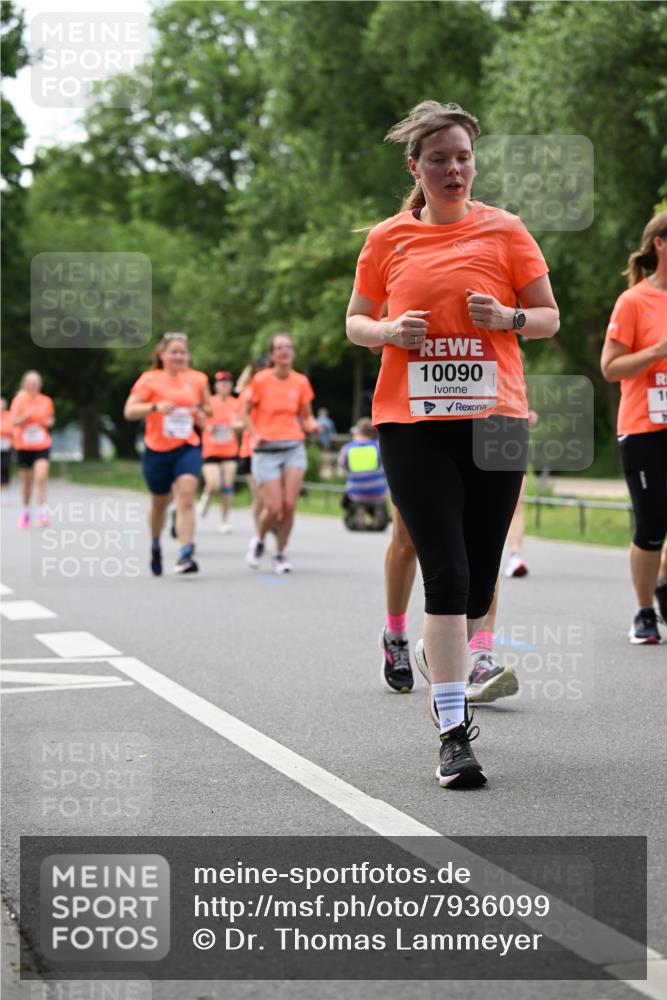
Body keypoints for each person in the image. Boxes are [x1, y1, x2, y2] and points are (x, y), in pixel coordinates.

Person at [346, 100, 559, 788]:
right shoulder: (386, 239)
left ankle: (452, 654)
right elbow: (354, 321)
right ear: (416, 167)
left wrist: (509, 316)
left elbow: (549, 319)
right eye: (438, 157)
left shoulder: (506, 231)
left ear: (473, 163)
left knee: (478, 572)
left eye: (462, 156)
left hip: (494, 421)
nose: (452, 168)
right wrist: (386, 333)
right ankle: (451, 731)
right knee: (447, 571)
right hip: (412, 424)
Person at [601, 211, 667, 643]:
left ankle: (663, 585)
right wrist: (658, 350)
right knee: (652, 523)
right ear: (660, 243)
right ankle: (644, 611)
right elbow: (610, 367)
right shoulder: (634, 301)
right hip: (645, 427)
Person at [123, 332, 210, 575]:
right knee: (159, 504)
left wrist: (201, 415)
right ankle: (155, 544)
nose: (179, 356)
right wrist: (155, 407)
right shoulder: (149, 380)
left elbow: (207, 408)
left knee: (186, 497)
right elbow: (129, 411)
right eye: (174, 351)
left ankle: (185, 553)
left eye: (183, 352)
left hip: (187, 445)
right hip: (157, 449)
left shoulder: (196, 380)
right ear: (161, 355)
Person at [243, 333, 321, 573]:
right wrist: (255, 434)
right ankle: (259, 539)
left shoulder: (300, 382)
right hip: (266, 449)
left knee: (289, 504)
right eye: (279, 348)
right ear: (271, 354)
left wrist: (312, 425)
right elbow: (244, 413)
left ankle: (279, 553)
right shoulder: (260, 380)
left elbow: (306, 415)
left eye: (288, 347)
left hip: (293, 447)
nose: (284, 351)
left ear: (293, 353)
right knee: (274, 507)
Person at [10, 371, 55, 528]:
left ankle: (42, 512)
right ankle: (26, 511)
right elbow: (13, 421)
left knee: (41, 477)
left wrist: (48, 422)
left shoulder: (47, 401)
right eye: (30, 382)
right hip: (24, 445)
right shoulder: (18, 401)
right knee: (26, 483)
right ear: (24, 384)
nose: (33, 385)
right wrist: (26, 417)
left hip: (42, 444)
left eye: (36, 382)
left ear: (40, 384)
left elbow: (50, 418)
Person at [199, 371, 241, 532]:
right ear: (216, 386)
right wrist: (207, 427)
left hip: (229, 450)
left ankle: (224, 520)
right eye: (221, 383)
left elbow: (241, 423)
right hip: (211, 449)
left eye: (228, 383)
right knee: (214, 484)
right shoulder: (209, 402)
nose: (224, 386)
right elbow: (200, 418)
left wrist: (233, 426)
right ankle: (207, 497)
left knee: (228, 484)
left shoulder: (235, 403)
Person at [504, 409, 539, 578]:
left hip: (511, 445)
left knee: (515, 505)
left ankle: (514, 556)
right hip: (475, 438)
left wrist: (529, 415)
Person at [236, 357, 269, 537]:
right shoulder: (247, 393)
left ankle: (267, 525)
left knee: (271, 499)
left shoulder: (276, 391)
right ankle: (259, 535)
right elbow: (239, 420)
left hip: (274, 449)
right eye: (261, 370)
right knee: (260, 497)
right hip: (250, 450)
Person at [337, 417, 389, 531]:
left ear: (358, 432)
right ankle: (378, 516)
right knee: (382, 515)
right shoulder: (378, 446)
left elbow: (342, 466)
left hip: (356, 494)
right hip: (378, 493)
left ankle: (356, 514)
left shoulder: (347, 448)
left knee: (348, 517)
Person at [1, 398, 13, 489]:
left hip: (7, 443)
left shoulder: (9, 415)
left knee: (5, 464)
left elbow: (11, 429)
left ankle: (5, 484)